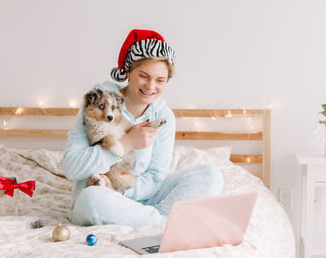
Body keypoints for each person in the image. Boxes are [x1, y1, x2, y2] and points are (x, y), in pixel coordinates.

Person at [63, 29, 224, 228]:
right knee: (92, 201)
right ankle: (166, 225)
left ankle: (150, 219)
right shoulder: (98, 104)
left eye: (160, 80)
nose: (150, 86)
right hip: (100, 197)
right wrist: (126, 144)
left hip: (141, 196)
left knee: (210, 175)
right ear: (129, 71)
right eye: (144, 76)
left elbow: (155, 177)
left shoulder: (164, 117)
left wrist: (120, 190)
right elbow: (71, 167)